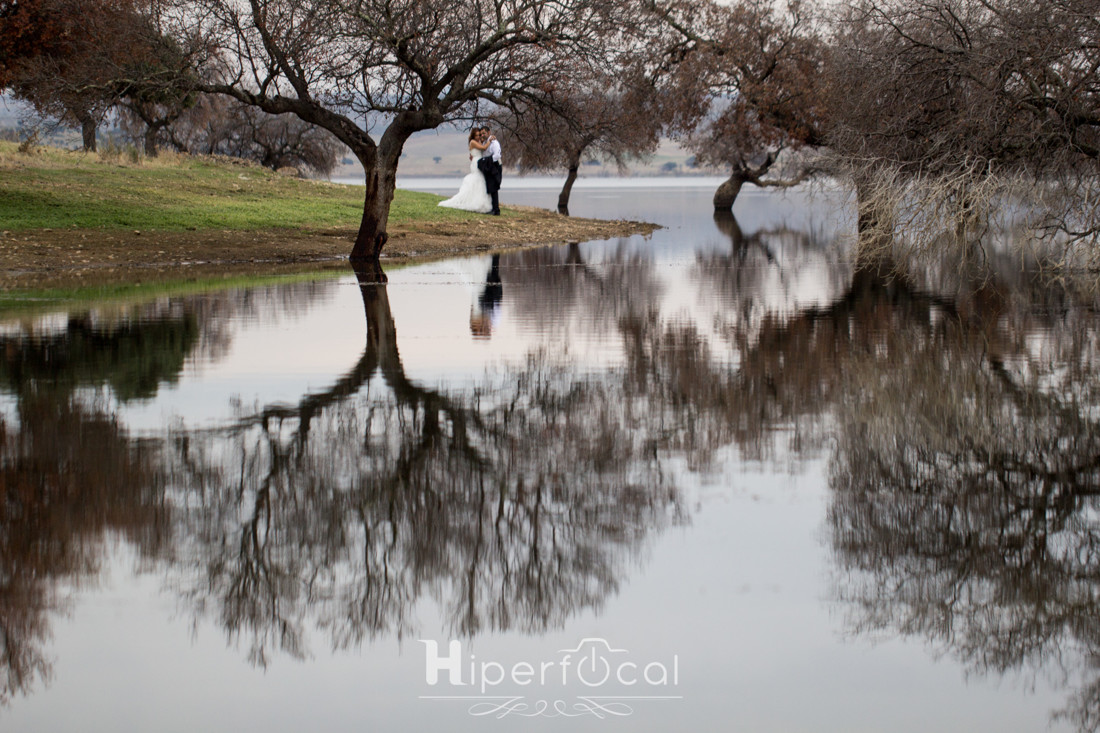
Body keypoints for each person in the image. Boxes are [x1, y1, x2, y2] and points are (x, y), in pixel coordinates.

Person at [438, 128, 493, 213]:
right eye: (477, 135)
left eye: (480, 135)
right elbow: (483, 147)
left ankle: (480, 201)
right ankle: (476, 202)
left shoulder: (477, 142)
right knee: (478, 179)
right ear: (473, 136)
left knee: (480, 181)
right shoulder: (473, 142)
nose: (479, 137)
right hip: (476, 163)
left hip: (479, 161)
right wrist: (490, 140)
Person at [476, 125, 503, 216]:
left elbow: (497, 155)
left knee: (494, 187)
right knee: (489, 186)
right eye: (481, 134)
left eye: (484, 133)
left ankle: (496, 210)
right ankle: (491, 207)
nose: (482, 135)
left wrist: (487, 161)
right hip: (488, 165)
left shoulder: (494, 143)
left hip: (494, 165)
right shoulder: (484, 143)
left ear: (489, 133)